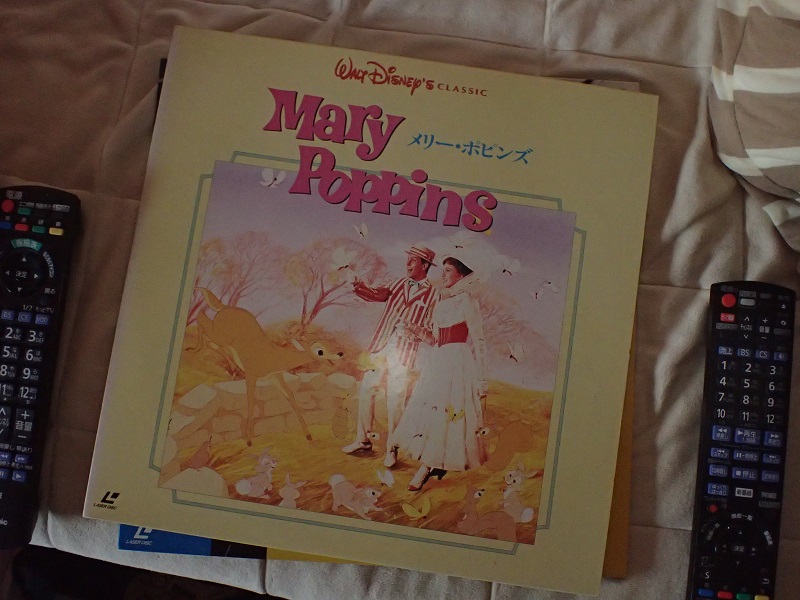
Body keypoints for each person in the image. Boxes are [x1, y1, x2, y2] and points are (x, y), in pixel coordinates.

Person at [393, 254, 488, 491]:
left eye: (447, 271)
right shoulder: (441, 303)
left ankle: (427, 467)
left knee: (447, 411)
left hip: (458, 362)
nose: (442, 275)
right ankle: (433, 461)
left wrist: (481, 379)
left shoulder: (467, 301)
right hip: (439, 361)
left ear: (461, 275)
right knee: (430, 410)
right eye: (442, 270)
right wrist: (415, 330)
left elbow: (479, 341)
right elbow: (435, 340)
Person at [341, 244, 438, 468]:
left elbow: (432, 333)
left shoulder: (434, 295)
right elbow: (377, 295)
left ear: (425, 266)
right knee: (367, 390)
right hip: (381, 347)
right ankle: (363, 440)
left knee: (396, 401)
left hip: (404, 353)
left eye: (413, 260)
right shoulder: (398, 283)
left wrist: (414, 329)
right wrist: (357, 284)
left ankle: (392, 449)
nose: (407, 264)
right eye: (408, 259)